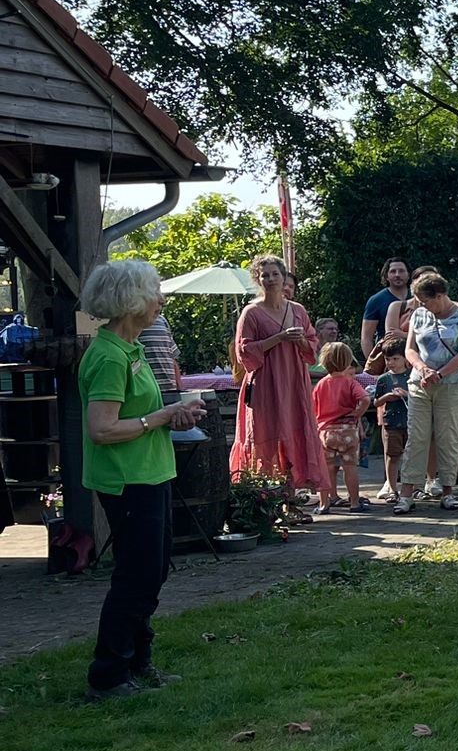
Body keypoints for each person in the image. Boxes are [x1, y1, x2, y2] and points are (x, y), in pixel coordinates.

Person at [76, 259, 207, 698]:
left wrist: (174, 414)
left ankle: (138, 661)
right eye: (154, 293)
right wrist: (159, 417)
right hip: (126, 479)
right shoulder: (109, 356)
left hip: (150, 474)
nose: (160, 301)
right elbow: (102, 429)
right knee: (136, 576)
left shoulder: (132, 349)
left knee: (152, 573)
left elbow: (140, 414)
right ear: (131, 301)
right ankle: (108, 674)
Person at [230, 253, 326, 498]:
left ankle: (291, 498)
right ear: (257, 279)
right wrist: (278, 339)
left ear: (284, 279)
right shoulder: (251, 313)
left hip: (294, 381)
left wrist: (301, 340)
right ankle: (266, 500)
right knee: (267, 434)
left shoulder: (297, 310)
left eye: (275, 274)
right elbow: (244, 351)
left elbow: (313, 344)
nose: (270, 279)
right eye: (265, 275)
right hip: (265, 384)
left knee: (293, 430)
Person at [397, 271, 458, 514]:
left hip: (452, 385)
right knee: (417, 437)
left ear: (440, 295)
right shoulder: (419, 315)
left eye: (425, 300)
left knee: (448, 437)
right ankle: (406, 494)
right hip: (420, 384)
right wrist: (422, 369)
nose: (421, 305)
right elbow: (410, 349)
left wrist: (440, 373)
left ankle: (448, 491)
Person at [312, 342, 370, 514]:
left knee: (326, 468)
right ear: (347, 361)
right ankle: (354, 503)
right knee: (350, 467)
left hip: (326, 431)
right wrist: (357, 413)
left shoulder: (321, 384)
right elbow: (365, 399)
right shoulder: (350, 382)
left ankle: (324, 503)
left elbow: (313, 408)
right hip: (347, 430)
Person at [368, 334, 408, 502]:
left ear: (405, 358)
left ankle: (411, 488)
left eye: (395, 358)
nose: (391, 362)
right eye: (387, 359)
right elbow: (376, 401)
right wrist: (387, 397)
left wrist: (406, 395)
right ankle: (392, 488)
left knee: (411, 456)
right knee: (392, 456)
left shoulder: (412, 376)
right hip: (390, 422)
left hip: (410, 422)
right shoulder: (384, 379)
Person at [361, 257, 409, 360]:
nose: (397, 275)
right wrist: (372, 365)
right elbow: (366, 338)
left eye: (401, 271)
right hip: (388, 357)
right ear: (386, 276)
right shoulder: (376, 300)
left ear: (408, 274)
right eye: (393, 271)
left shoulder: (418, 297)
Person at [138, 313, 181, 397]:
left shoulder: (162, 320)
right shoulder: (135, 322)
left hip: (171, 390)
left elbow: (172, 356)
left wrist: (179, 388)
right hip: (150, 392)